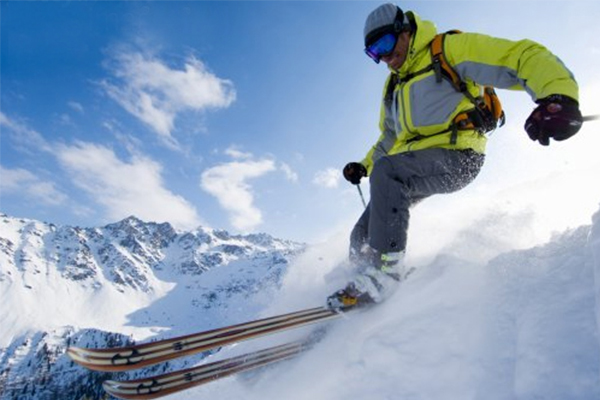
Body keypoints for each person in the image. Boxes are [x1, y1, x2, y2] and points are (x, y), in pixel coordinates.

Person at [326, 3, 583, 310]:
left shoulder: (447, 50)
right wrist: (363, 165)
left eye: (385, 44)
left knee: (388, 172)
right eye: (374, 53)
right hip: (411, 165)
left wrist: (558, 97)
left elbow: (519, 55)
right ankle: (357, 283)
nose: (384, 57)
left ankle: (384, 275)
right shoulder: (393, 86)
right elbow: (390, 137)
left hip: (460, 156)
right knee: (361, 234)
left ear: (404, 30)